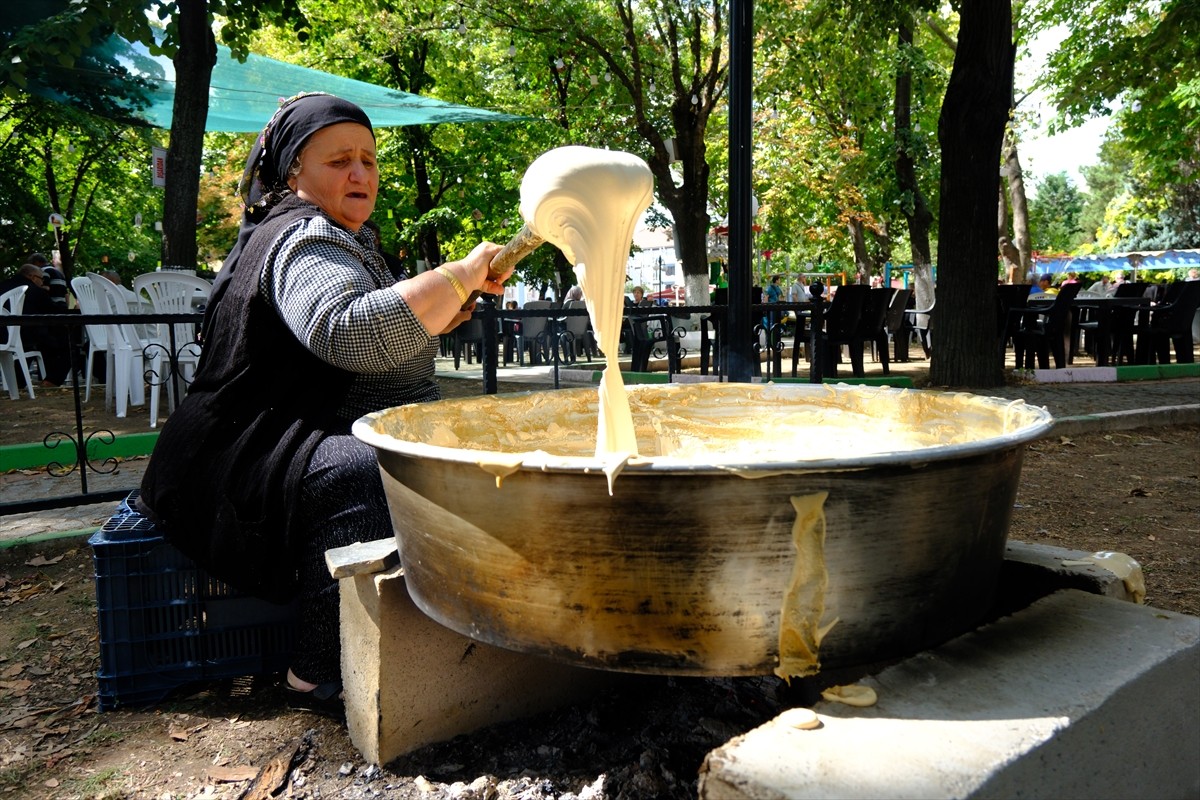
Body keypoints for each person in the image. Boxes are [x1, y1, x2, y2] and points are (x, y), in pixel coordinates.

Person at [134, 93, 511, 717]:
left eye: (367, 158)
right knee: (367, 469)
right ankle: (313, 671)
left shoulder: (339, 236)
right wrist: (457, 277)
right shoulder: (305, 238)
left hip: (270, 436)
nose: (359, 173)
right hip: (234, 456)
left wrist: (441, 303)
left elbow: (377, 334)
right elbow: (345, 329)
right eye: (339, 161)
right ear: (293, 174)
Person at [0, 263, 73, 385]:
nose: (43, 283)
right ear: (32, 277)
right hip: (22, 336)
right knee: (64, 340)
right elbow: (53, 313)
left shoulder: (2, 286)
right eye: (42, 279)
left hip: (2, 335)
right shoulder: (34, 290)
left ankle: (19, 381)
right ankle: (52, 380)